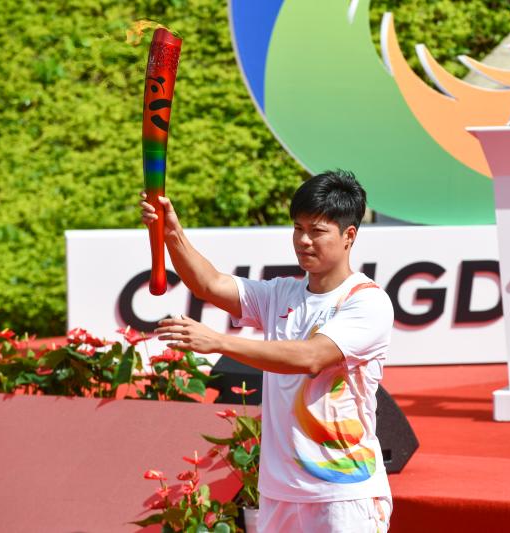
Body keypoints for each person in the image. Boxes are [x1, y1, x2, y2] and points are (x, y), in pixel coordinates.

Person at [141, 169, 394, 532]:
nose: (304, 240)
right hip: (279, 492)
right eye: (298, 228)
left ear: (348, 235)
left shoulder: (367, 302)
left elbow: (311, 358)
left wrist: (219, 341)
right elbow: (210, 284)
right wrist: (171, 233)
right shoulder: (282, 294)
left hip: (342, 493)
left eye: (317, 231)